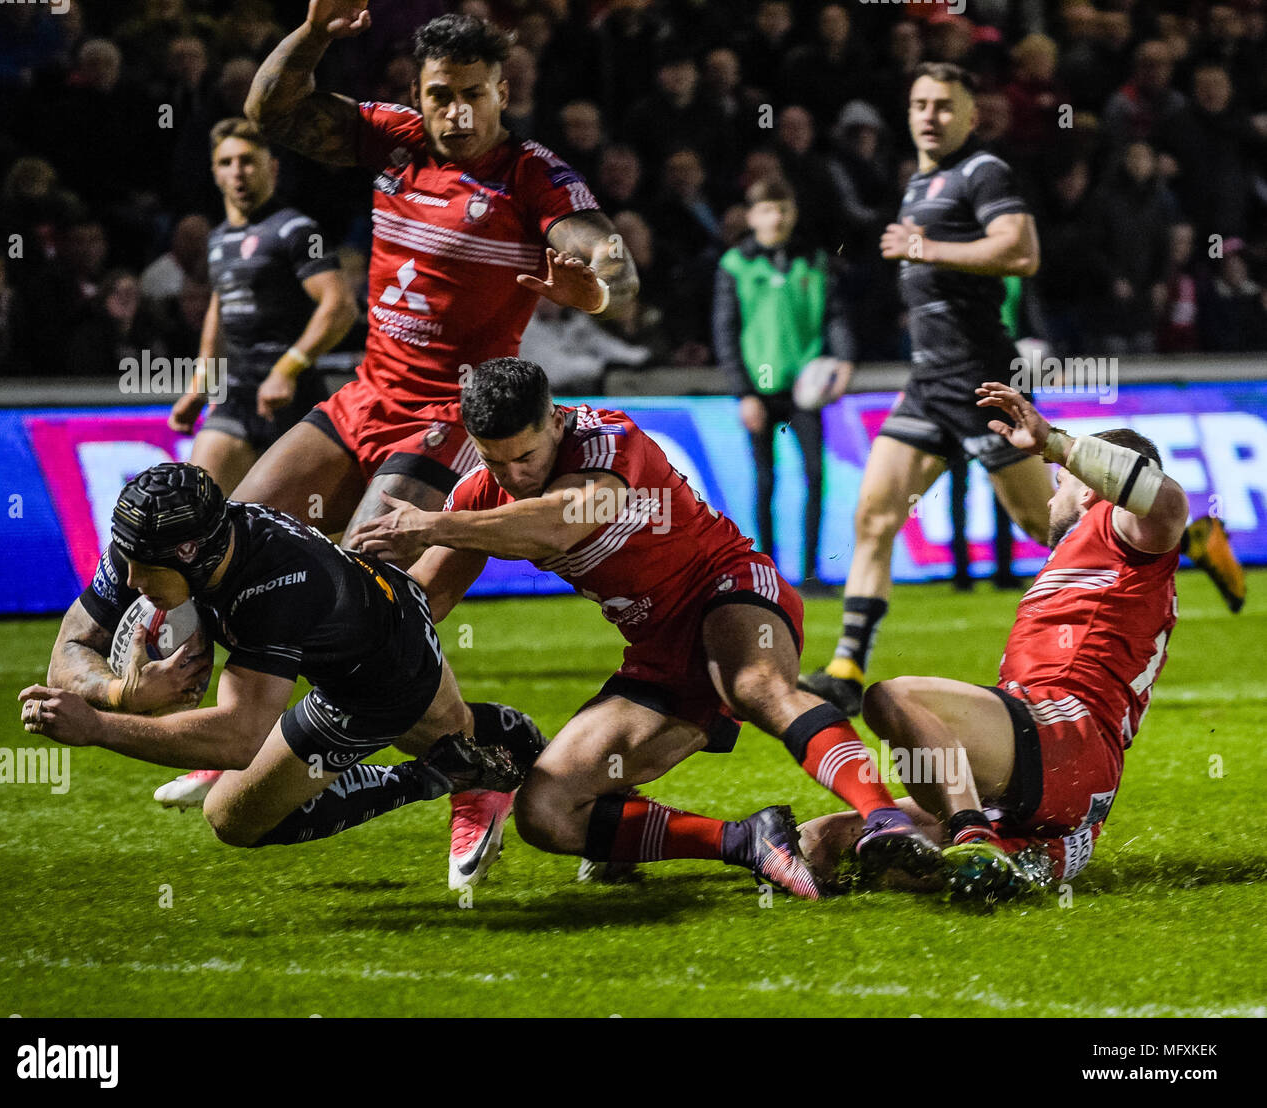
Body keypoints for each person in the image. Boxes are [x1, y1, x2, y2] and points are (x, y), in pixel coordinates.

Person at [233, 4, 637, 889]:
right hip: (364, 394)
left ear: (504, 92)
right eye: (441, 97)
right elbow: (273, 112)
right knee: (238, 533)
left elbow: (613, 266)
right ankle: (450, 757)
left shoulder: (534, 176)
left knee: (361, 592)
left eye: (475, 97)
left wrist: (594, 283)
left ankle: (464, 765)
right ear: (418, 94)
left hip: (450, 420)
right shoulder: (393, 142)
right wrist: (313, 34)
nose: (458, 114)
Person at [354, 358, 944, 899]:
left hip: (731, 589)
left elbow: (559, 523)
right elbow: (427, 596)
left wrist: (435, 524)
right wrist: (345, 636)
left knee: (754, 685)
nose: (513, 475)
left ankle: (884, 819)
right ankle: (748, 841)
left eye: (525, 458)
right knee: (547, 811)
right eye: (493, 460)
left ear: (554, 422)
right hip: (661, 657)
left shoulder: (609, 440)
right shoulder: (484, 495)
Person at [19, 463, 544, 861]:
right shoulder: (148, 544)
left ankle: (436, 775)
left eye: (144, 569)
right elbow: (67, 652)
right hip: (342, 634)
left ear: (194, 556)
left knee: (233, 817)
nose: (130, 580)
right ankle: (481, 753)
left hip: (381, 673)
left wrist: (98, 726)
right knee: (444, 731)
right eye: (125, 559)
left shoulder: (277, 582)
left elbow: (238, 737)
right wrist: (121, 694)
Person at [800, 383, 1188, 899]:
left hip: (1066, 735)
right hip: (1052, 767)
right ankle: (1022, 857)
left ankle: (974, 835)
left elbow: (1168, 502)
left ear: (1094, 488)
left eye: (1060, 482)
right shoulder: (1092, 551)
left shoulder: (1121, 530)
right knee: (824, 841)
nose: (1051, 496)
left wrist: (1055, 442)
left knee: (893, 698)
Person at [800, 63, 1053, 716]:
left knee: (1046, 522)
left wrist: (926, 246)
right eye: (919, 104)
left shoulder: (982, 172)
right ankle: (846, 671)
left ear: (970, 118)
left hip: (979, 377)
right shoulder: (920, 182)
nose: (930, 116)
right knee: (875, 516)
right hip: (927, 382)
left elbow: (1020, 252)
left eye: (945, 105)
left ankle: (1177, 538)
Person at [167, 118, 357, 498]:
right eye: (227, 162)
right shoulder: (219, 238)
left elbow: (340, 307)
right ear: (215, 173)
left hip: (294, 400)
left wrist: (287, 369)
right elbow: (218, 315)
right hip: (236, 398)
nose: (238, 172)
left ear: (272, 167)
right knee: (197, 513)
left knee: (307, 534)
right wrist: (198, 389)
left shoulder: (296, 231)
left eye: (248, 160)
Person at [713, 176, 854, 589]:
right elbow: (725, 331)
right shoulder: (735, 264)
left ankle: (811, 573)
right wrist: (742, 392)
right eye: (769, 209)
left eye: (784, 208)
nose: (777, 217)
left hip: (803, 389)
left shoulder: (814, 259)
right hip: (759, 390)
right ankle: (767, 573)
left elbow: (835, 315)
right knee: (766, 480)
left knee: (814, 474)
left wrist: (843, 360)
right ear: (753, 215)